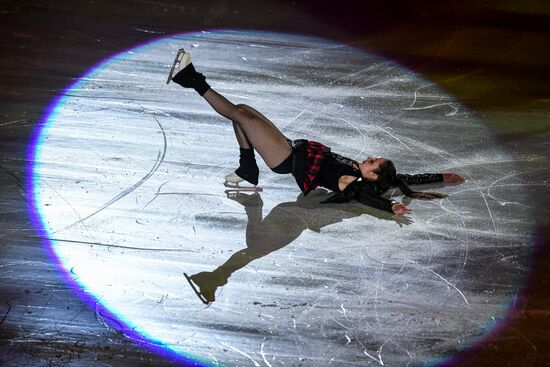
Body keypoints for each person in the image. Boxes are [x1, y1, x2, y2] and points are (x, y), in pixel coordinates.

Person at [167, 50, 464, 215]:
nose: (369, 157)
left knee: (239, 114)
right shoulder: (365, 173)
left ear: (372, 175)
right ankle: (247, 169)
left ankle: (190, 78)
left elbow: (363, 197)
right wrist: (441, 176)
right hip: (289, 147)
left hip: (285, 158)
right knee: (243, 110)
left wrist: (389, 206)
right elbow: (406, 179)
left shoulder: (352, 181)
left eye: (373, 162)